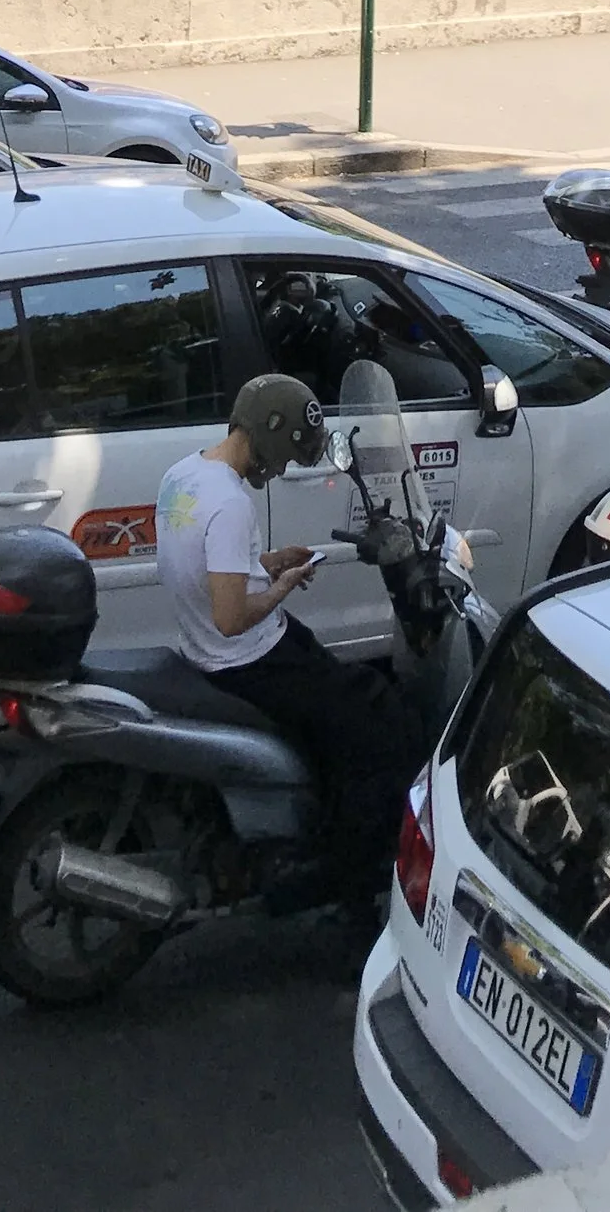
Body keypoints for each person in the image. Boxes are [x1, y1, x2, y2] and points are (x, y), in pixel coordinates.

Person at [154, 372, 419, 910]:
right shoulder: (230, 504)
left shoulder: (183, 475)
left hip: (210, 648)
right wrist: (283, 584)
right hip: (245, 657)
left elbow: (203, 570)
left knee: (353, 692)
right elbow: (232, 617)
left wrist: (266, 564)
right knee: (381, 731)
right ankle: (342, 876)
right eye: (282, 458)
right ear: (269, 433)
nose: (277, 472)